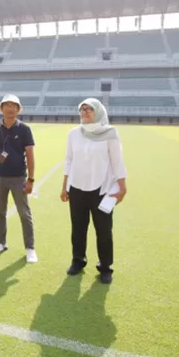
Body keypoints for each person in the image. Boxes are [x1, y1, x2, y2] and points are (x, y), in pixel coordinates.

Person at [60, 98, 127, 282]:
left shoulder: (111, 133)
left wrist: (122, 185)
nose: (85, 112)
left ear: (98, 111)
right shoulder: (74, 133)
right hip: (76, 188)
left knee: (104, 230)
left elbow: (117, 161)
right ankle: (78, 260)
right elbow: (69, 160)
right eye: (82, 109)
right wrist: (64, 186)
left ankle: (105, 267)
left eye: (89, 109)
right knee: (78, 228)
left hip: (102, 189)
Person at [0, 94, 38, 263]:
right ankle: (1, 242)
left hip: (19, 178)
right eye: (6, 105)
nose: (10, 108)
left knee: (24, 213)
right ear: (1, 108)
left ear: (18, 109)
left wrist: (30, 179)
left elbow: (30, 154)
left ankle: (30, 248)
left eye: (13, 105)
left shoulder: (24, 129)